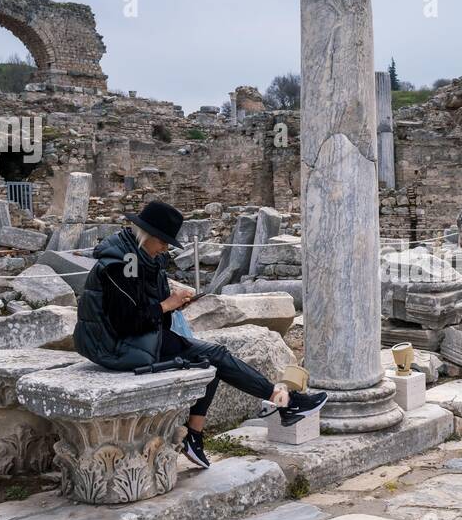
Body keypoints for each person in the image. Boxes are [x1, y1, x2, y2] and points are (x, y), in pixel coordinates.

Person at [73, 200, 326, 469]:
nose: (165, 249)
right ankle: (283, 402)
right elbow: (127, 321)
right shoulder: (126, 262)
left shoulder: (142, 257)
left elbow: (147, 312)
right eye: (164, 242)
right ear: (149, 236)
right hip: (112, 345)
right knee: (213, 356)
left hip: (133, 338)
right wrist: (168, 304)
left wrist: (175, 304)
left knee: (211, 360)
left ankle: (196, 434)